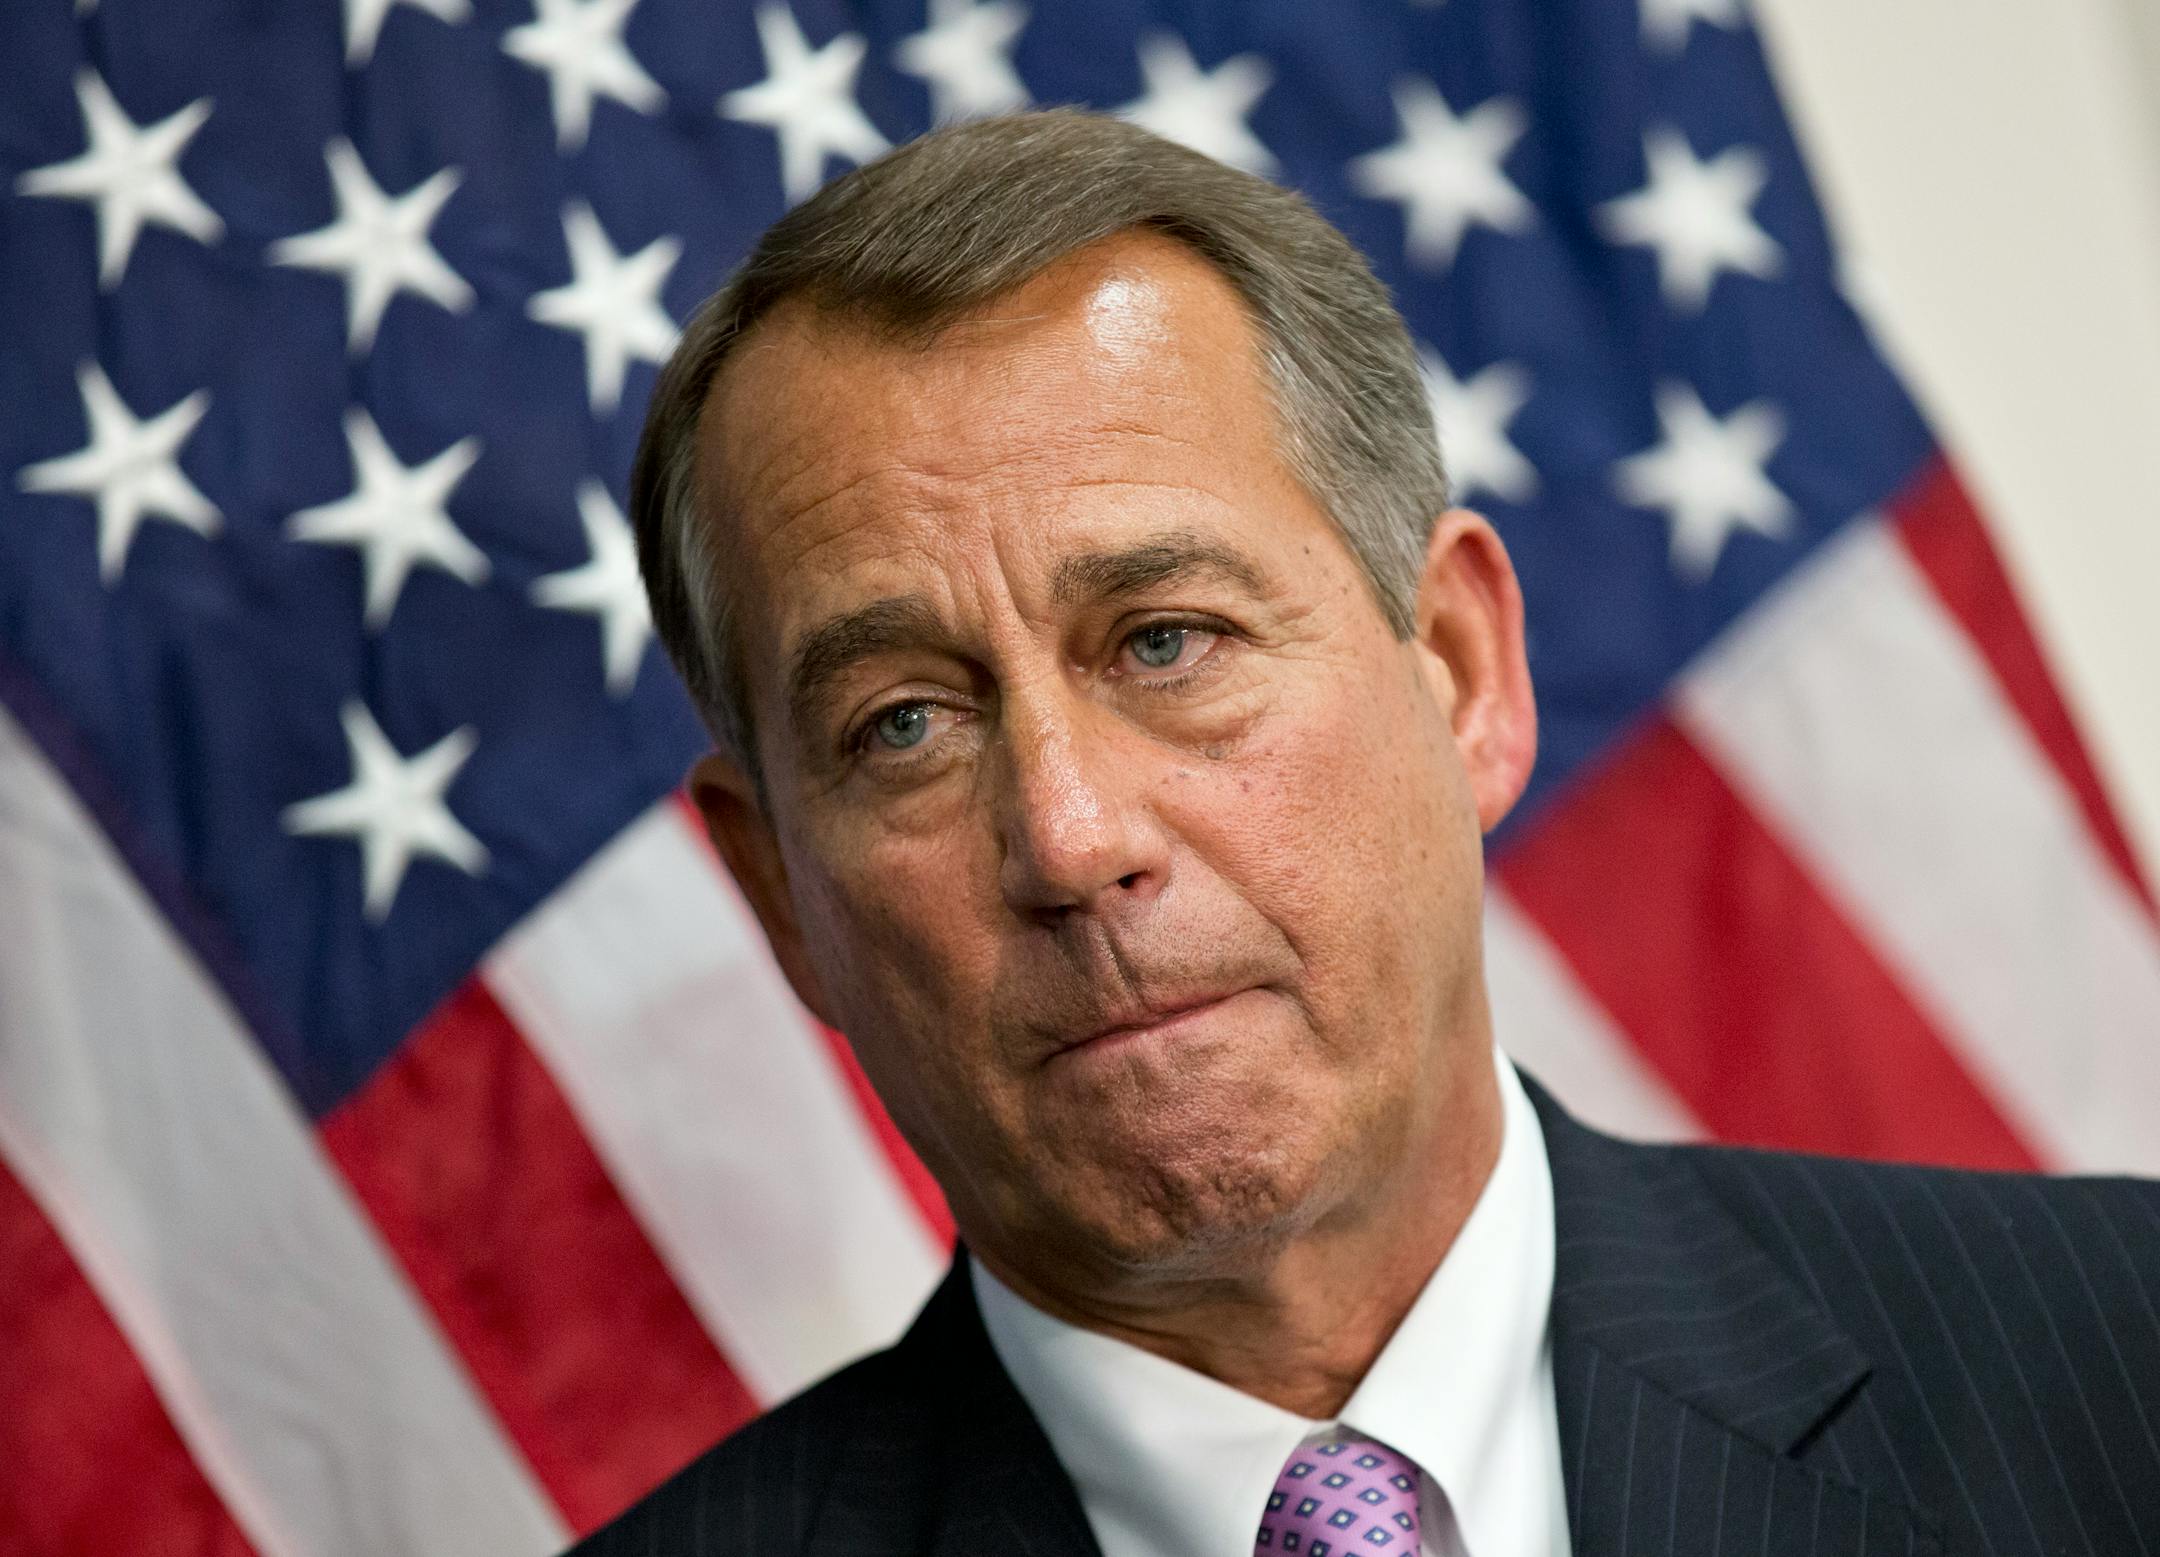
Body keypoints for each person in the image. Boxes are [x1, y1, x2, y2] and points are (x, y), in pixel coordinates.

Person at [571, 110, 2160, 1557]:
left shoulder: (2116, 1375)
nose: (1069, 835)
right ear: (781, 893)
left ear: (1463, 673)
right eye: (904, 724)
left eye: (1166, 639)